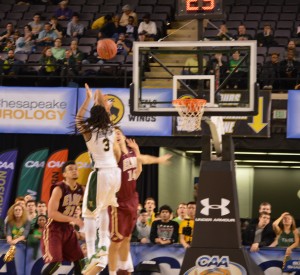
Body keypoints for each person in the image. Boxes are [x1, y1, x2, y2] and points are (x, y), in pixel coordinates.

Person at [107, 127, 172, 275]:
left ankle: (123, 269)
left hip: (131, 199)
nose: (116, 135)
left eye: (118, 133)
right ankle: (112, 272)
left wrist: (138, 151)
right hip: (118, 202)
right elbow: (117, 148)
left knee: (127, 238)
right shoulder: (115, 153)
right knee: (116, 241)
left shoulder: (130, 154)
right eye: (113, 134)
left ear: (124, 136)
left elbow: (139, 169)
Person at [76, 83, 122, 275]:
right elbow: (103, 109)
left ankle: (91, 255)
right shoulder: (111, 129)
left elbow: (79, 118)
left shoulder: (89, 131)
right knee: (103, 208)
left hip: (101, 173)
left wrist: (88, 98)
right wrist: (100, 101)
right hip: (115, 173)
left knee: (88, 214)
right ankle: (103, 246)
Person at [41, 160, 84, 275]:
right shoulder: (59, 188)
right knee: (55, 262)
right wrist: (73, 219)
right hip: (53, 229)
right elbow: (51, 214)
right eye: (70, 169)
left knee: (80, 261)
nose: (74, 171)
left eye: (76, 169)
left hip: (68, 229)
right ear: (64, 174)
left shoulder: (81, 189)